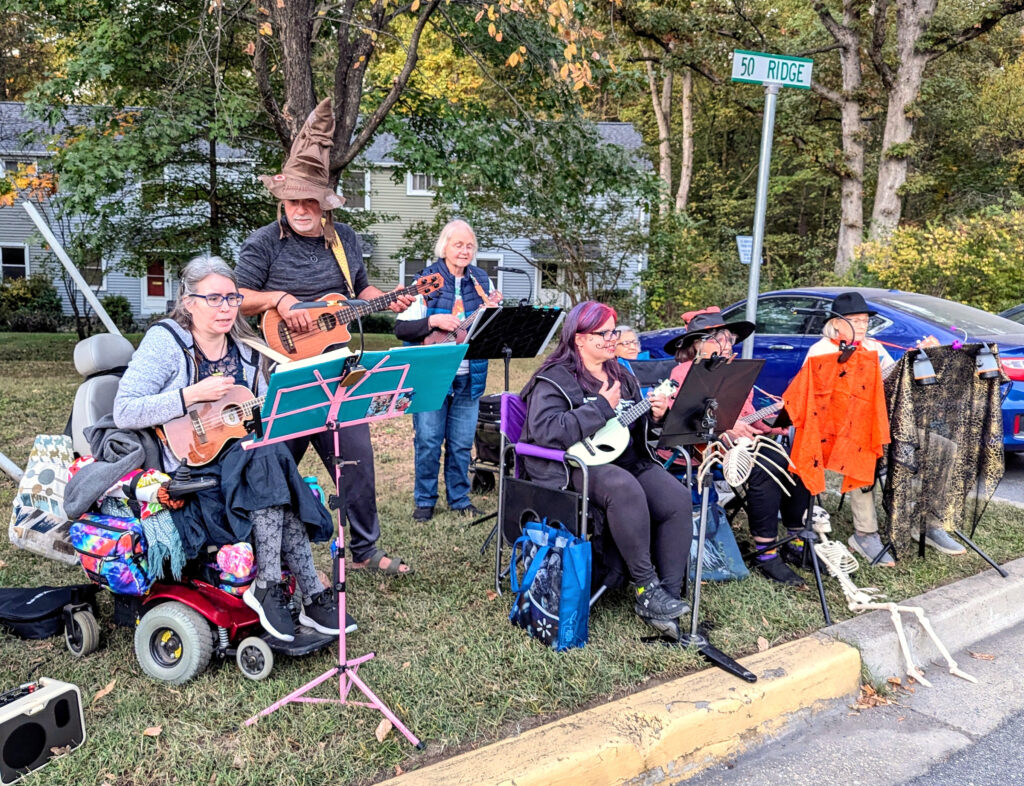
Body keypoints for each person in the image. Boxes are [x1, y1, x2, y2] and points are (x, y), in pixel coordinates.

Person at [113, 256, 348, 643]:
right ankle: (310, 592)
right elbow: (124, 410)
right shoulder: (166, 341)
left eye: (232, 298)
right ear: (188, 301)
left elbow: (260, 411)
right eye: (214, 299)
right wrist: (191, 394)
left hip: (244, 462)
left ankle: (273, 587)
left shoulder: (248, 349)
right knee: (268, 458)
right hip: (191, 467)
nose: (226, 308)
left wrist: (287, 401)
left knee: (265, 449)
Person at [235, 98, 415, 577]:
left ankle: (364, 551)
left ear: (323, 202)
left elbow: (361, 289)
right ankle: (255, 553)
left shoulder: (344, 239)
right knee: (272, 463)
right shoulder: (263, 242)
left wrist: (389, 297)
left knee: (356, 461)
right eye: (292, 200)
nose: (300, 208)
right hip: (284, 369)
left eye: (309, 200)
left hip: (339, 370)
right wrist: (279, 300)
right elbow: (234, 296)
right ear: (282, 201)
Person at [519, 301, 694, 637]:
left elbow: (631, 428)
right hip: (573, 464)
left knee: (675, 497)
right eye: (604, 333)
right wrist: (600, 407)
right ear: (580, 338)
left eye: (614, 331)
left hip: (626, 458)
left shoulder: (621, 373)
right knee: (622, 486)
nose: (613, 339)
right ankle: (645, 586)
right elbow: (546, 432)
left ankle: (667, 594)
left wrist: (655, 416)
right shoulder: (553, 379)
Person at [797, 291, 963, 564]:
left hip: (878, 425)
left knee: (944, 448)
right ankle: (865, 533)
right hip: (838, 434)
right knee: (862, 452)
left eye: (865, 321)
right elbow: (813, 400)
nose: (862, 326)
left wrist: (914, 358)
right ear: (837, 323)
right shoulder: (821, 351)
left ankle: (926, 522)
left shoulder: (872, 347)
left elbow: (888, 380)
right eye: (856, 320)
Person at [662, 311, 810, 587]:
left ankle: (796, 538)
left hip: (740, 442)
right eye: (719, 338)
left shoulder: (737, 372)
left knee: (799, 457)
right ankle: (767, 553)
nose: (727, 344)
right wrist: (726, 428)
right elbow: (682, 418)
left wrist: (778, 422)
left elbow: (750, 417)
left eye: (729, 338)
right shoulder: (683, 373)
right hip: (701, 447)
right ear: (698, 344)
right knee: (768, 463)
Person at [394, 219, 502, 522]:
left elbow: (489, 333)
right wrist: (433, 322)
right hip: (432, 376)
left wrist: (494, 316)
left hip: (470, 374)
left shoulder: (482, 280)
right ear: (444, 247)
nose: (464, 250)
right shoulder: (426, 279)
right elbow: (401, 327)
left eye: (469, 246)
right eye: (458, 244)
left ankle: (459, 498)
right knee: (428, 441)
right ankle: (425, 501)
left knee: (461, 442)